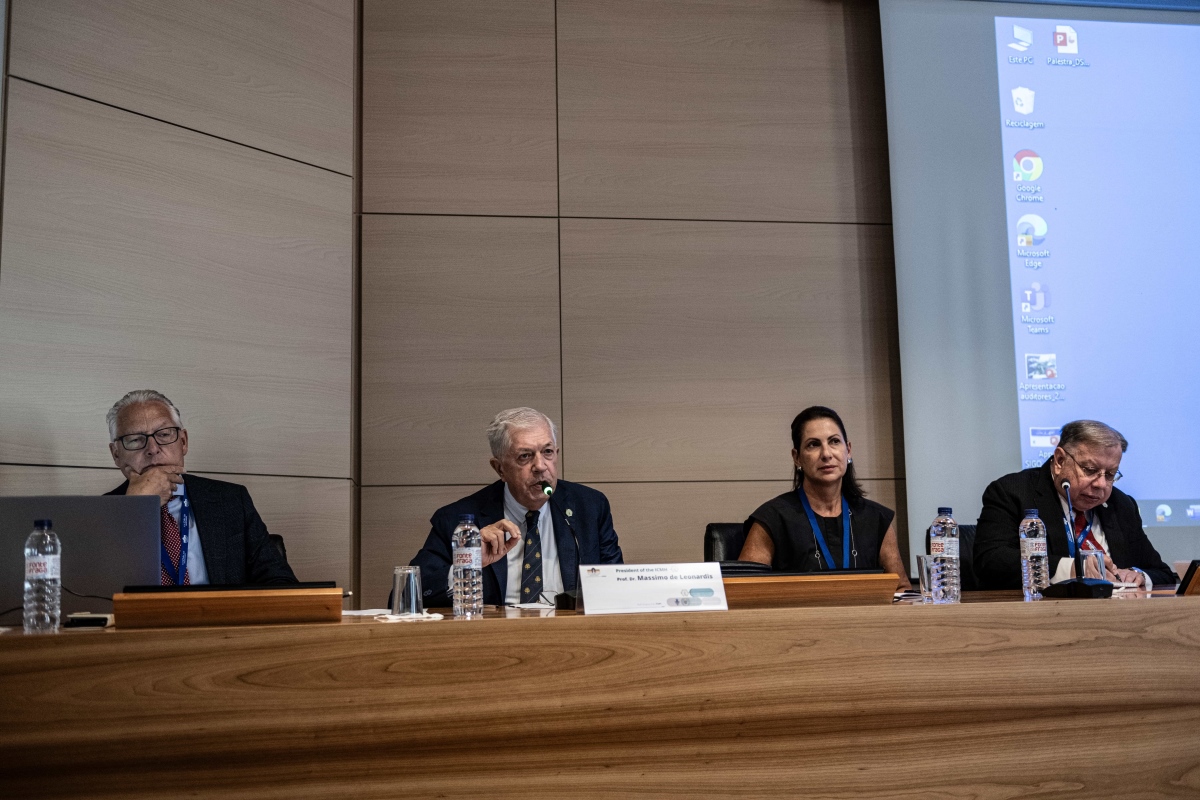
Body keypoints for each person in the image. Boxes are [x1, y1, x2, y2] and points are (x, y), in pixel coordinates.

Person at [411, 407, 623, 607]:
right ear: (500, 468)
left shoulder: (590, 507)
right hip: (495, 639)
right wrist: (469, 564)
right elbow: (410, 595)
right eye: (525, 456)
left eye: (547, 452)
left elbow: (618, 588)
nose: (540, 466)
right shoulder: (458, 520)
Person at [105, 390, 297, 585]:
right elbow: (90, 595)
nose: (153, 448)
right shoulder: (96, 515)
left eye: (163, 434)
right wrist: (136, 508)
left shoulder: (231, 501)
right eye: (135, 439)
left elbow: (281, 583)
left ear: (183, 442)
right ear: (116, 455)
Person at [974, 419, 1174, 590]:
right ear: (1060, 460)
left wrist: (1137, 574)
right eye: (1089, 470)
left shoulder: (1121, 505)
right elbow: (990, 562)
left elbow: (1161, 573)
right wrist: (1073, 568)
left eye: (1111, 474)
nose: (1101, 484)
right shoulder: (1012, 492)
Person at [738, 406, 912, 590]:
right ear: (797, 457)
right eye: (813, 444)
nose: (827, 454)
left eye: (834, 441)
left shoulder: (876, 519)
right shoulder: (772, 519)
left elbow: (901, 588)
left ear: (848, 450)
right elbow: (746, 590)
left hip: (864, 618)